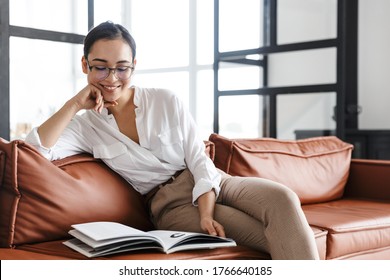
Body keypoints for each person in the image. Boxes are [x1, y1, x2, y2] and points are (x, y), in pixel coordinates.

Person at [25, 21, 319, 260]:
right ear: (84, 64)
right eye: (99, 66)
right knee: (267, 233)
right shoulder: (84, 126)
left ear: (134, 66)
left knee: (283, 198)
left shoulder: (165, 100)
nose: (111, 77)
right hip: (171, 206)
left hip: (214, 180)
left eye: (121, 67)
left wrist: (206, 211)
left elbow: (198, 158)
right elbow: (35, 150)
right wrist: (74, 104)